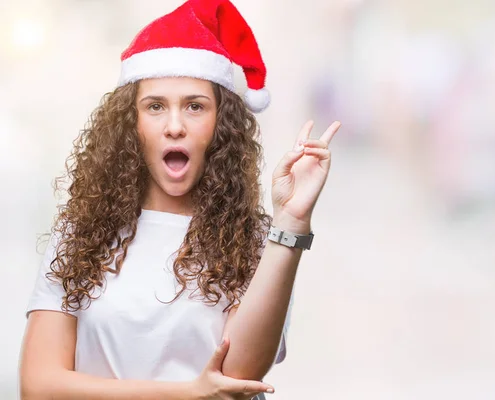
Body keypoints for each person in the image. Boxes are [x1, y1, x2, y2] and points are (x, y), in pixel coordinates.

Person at [18, 0, 341, 399]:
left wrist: (290, 223)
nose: (174, 126)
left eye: (194, 106)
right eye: (155, 107)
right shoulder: (79, 233)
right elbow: (39, 386)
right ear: (130, 125)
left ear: (220, 125)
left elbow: (239, 375)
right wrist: (187, 393)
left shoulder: (261, 240)